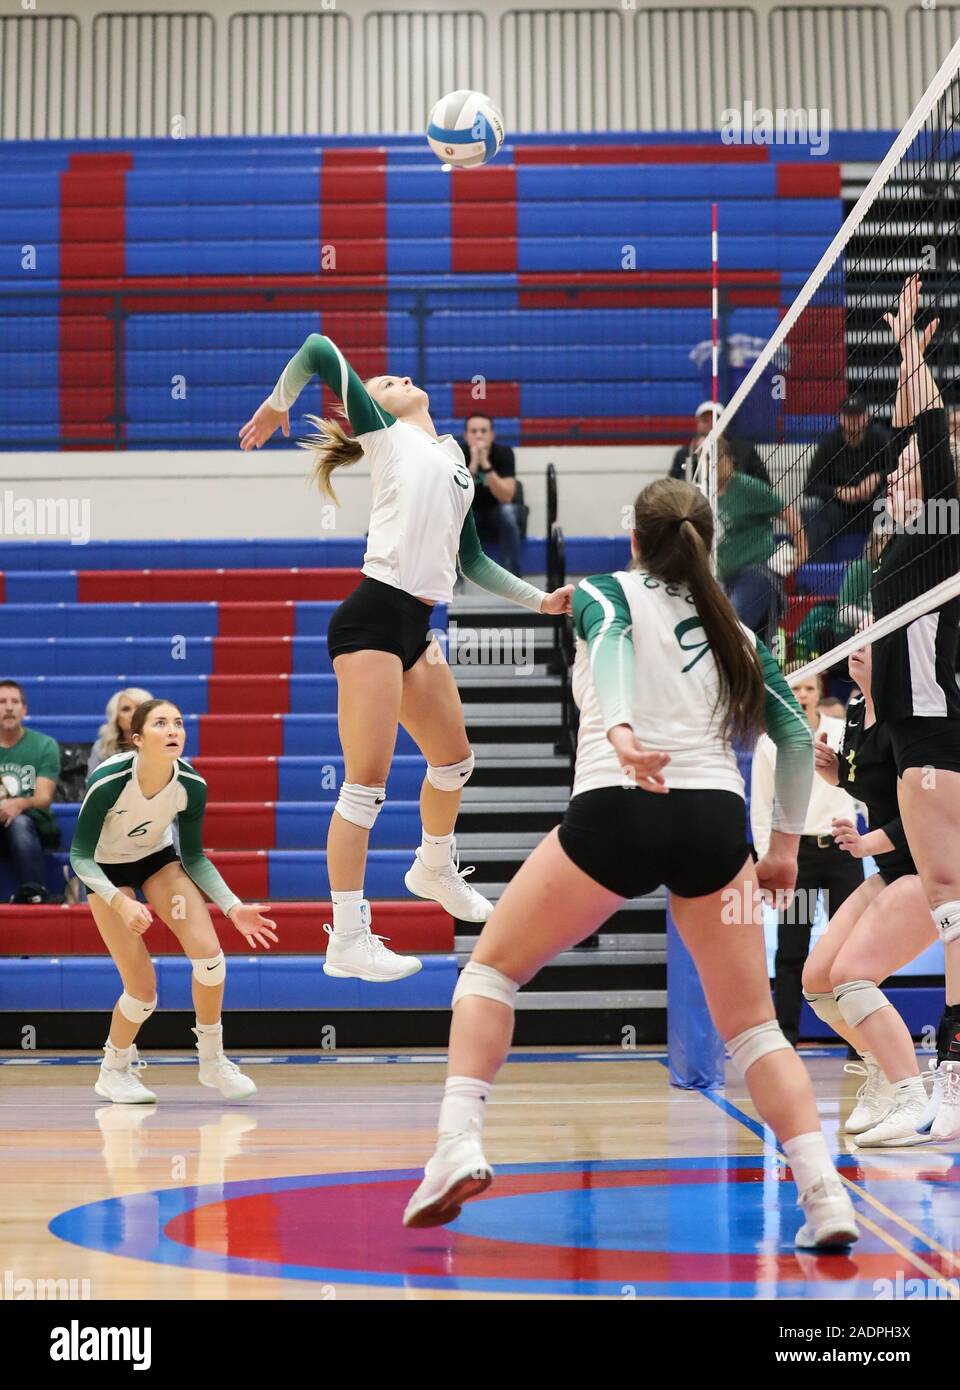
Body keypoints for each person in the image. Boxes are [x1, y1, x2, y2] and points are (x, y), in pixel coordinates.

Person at [404, 477, 859, 1250]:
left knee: (490, 974)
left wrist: (618, 730)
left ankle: (457, 1145)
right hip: (714, 825)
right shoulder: (735, 629)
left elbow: (613, 640)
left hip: (619, 804)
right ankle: (824, 1196)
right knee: (755, 1030)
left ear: (636, 541)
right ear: (707, 544)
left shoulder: (605, 591)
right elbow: (792, 734)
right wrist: (783, 848)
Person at [239, 335, 573, 983]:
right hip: (371, 617)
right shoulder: (385, 435)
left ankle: (433, 867)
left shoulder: (453, 459)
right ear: (373, 409)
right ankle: (347, 935)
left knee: (455, 762)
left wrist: (540, 602)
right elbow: (317, 348)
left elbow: (472, 561)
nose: (396, 378)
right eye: (384, 383)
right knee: (364, 787)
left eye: (396, 377)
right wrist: (280, 403)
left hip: (417, 625)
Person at [69, 699, 276, 1104]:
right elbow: (79, 856)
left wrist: (233, 907)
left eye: (178, 723)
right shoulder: (109, 780)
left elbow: (194, 857)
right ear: (137, 738)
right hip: (105, 869)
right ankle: (114, 1069)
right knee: (142, 992)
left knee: (210, 958)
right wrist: (120, 903)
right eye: (161, 723)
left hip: (156, 860)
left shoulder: (191, 785)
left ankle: (212, 1060)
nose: (173, 731)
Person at [870, 274, 960, 1143]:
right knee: (945, 897)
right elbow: (913, 431)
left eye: (907, 471)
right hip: (912, 736)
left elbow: (927, 434)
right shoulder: (898, 549)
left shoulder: (941, 535)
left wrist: (908, 351)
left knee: (951, 899)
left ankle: (953, 1074)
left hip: (937, 737)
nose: (897, 474)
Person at [801, 639, 937, 1145]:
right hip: (893, 865)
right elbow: (874, 784)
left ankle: (914, 1102)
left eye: (873, 644)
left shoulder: (914, 718)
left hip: (934, 865)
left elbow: (933, 808)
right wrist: (836, 774)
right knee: (818, 981)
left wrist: (866, 843)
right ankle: (880, 1072)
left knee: (852, 975)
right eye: (857, 642)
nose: (858, 649)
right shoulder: (856, 711)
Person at [751, 671, 865, 1045]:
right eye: (795, 688)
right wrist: (767, 858)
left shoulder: (843, 730)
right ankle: (786, 1035)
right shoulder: (769, 741)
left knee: (852, 948)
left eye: (809, 688)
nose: (802, 694)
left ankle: (859, 1040)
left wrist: (873, 833)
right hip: (796, 855)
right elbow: (761, 806)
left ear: (819, 693)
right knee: (792, 947)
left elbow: (863, 782)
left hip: (842, 851)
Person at [716, 434, 807, 645]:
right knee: (742, 636)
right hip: (725, 579)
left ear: (728, 460)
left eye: (716, 458)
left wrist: (802, 550)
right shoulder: (707, 495)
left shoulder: (747, 487)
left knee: (731, 628)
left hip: (756, 573)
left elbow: (788, 512)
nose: (712, 465)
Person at [803, 392, 892, 556]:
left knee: (888, 503)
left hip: (872, 508)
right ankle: (818, 569)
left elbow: (896, 468)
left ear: (866, 417)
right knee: (812, 509)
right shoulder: (829, 443)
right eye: (849, 416)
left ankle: (885, 563)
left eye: (857, 415)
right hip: (839, 511)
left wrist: (877, 477)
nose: (853, 420)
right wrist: (837, 492)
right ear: (840, 418)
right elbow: (810, 486)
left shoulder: (879, 439)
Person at [0, 679, 61, 904]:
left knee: (19, 823)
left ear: (24, 709)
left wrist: (18, 804)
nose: (8, 707)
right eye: (2, 702)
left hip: (32, 826)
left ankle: (35, 892)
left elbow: (43, 798)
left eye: (14, 702)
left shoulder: (44, 745)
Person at [458, 413, 524, 578]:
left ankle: (511, 577)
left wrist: (486, 464)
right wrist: (474, 464)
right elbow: (457, 495)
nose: (479, 435)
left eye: (483, 431)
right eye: (474, 431)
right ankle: (455, 580)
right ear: (466, 435)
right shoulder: (457, 454)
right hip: (469, 513)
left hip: (496, 512)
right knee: (449, 513)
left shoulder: (504, 453)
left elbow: (506, 497)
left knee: (508, 511)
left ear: (492, 435)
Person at [669, 401, 770, 485]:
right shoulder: (683, 454)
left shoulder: (744, 450)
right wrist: (697, 457)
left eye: (715, 419)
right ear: (697, 423)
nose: (710, 424)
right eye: (705, 420)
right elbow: (673, 487)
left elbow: (764, 484)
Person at [87, 687, 153, 778]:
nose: (134, 714)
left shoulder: (163, 743)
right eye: (126, 709)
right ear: (116, 718)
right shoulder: (103, 747)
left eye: (139, 708)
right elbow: (93, 783)